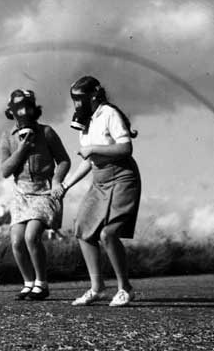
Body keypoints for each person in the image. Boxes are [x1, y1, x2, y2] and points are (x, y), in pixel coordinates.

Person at [55, 76, 141, 307]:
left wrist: (92, 147)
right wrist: (65, 186)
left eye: (80, 99)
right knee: (83, 229)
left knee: (108, 234)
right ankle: (98, 288)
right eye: (74, 100)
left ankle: (125, 289)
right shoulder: (86, 121)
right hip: (100, 179)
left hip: (122, 177)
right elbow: (89, 160)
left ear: (93, 96)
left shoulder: (109, 114)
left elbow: (125, 148)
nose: (77, 105)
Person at [0, 89, 70, 300]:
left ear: (34, 110)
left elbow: (64, 160)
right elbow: (5, 171)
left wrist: (57, 180)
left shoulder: (46, 132)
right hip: (21, 193)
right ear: (11, 112)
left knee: (32, 236)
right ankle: (28, 283)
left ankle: (42, 283)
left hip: (44, 191)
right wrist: (21, 150)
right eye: (18, 108)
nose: (24, 113)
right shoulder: (7, 137)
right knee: (16, 241)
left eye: (27, 107)